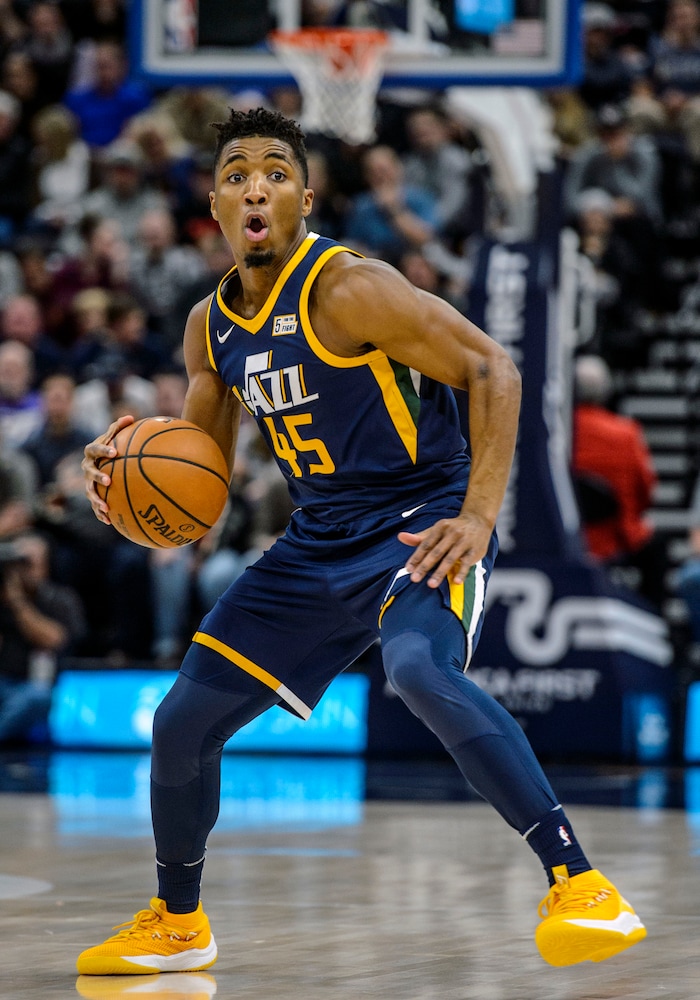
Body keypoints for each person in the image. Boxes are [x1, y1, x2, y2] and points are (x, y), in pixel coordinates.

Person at [77, 107, 646, 976]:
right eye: (236, 175)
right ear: (215, 204)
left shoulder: (351, 288)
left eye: (276, 172)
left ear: (305, 199)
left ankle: (580, 882)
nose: (255, 188)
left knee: (418, 670)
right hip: (317, 539)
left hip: (421, 517)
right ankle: (177, 922)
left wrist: (478, 517)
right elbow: (199, 489)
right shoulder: (209, 328)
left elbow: (494, 368)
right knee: (181, 723)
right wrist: (121, 478)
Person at [571, 354, 668, 610]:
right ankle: (653, 617)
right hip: (615, 539)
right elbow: (646, 491)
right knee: (657, 549)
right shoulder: (626, 433)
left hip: (568, 535)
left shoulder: (557, 434)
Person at [0, 531, 86, 744]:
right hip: (3, 681)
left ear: (46, 564)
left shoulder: (60, 598)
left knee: (38, 697)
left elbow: (54, 638)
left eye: (29, 562)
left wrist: (17, 601)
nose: (23, 569)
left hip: (35, 684)